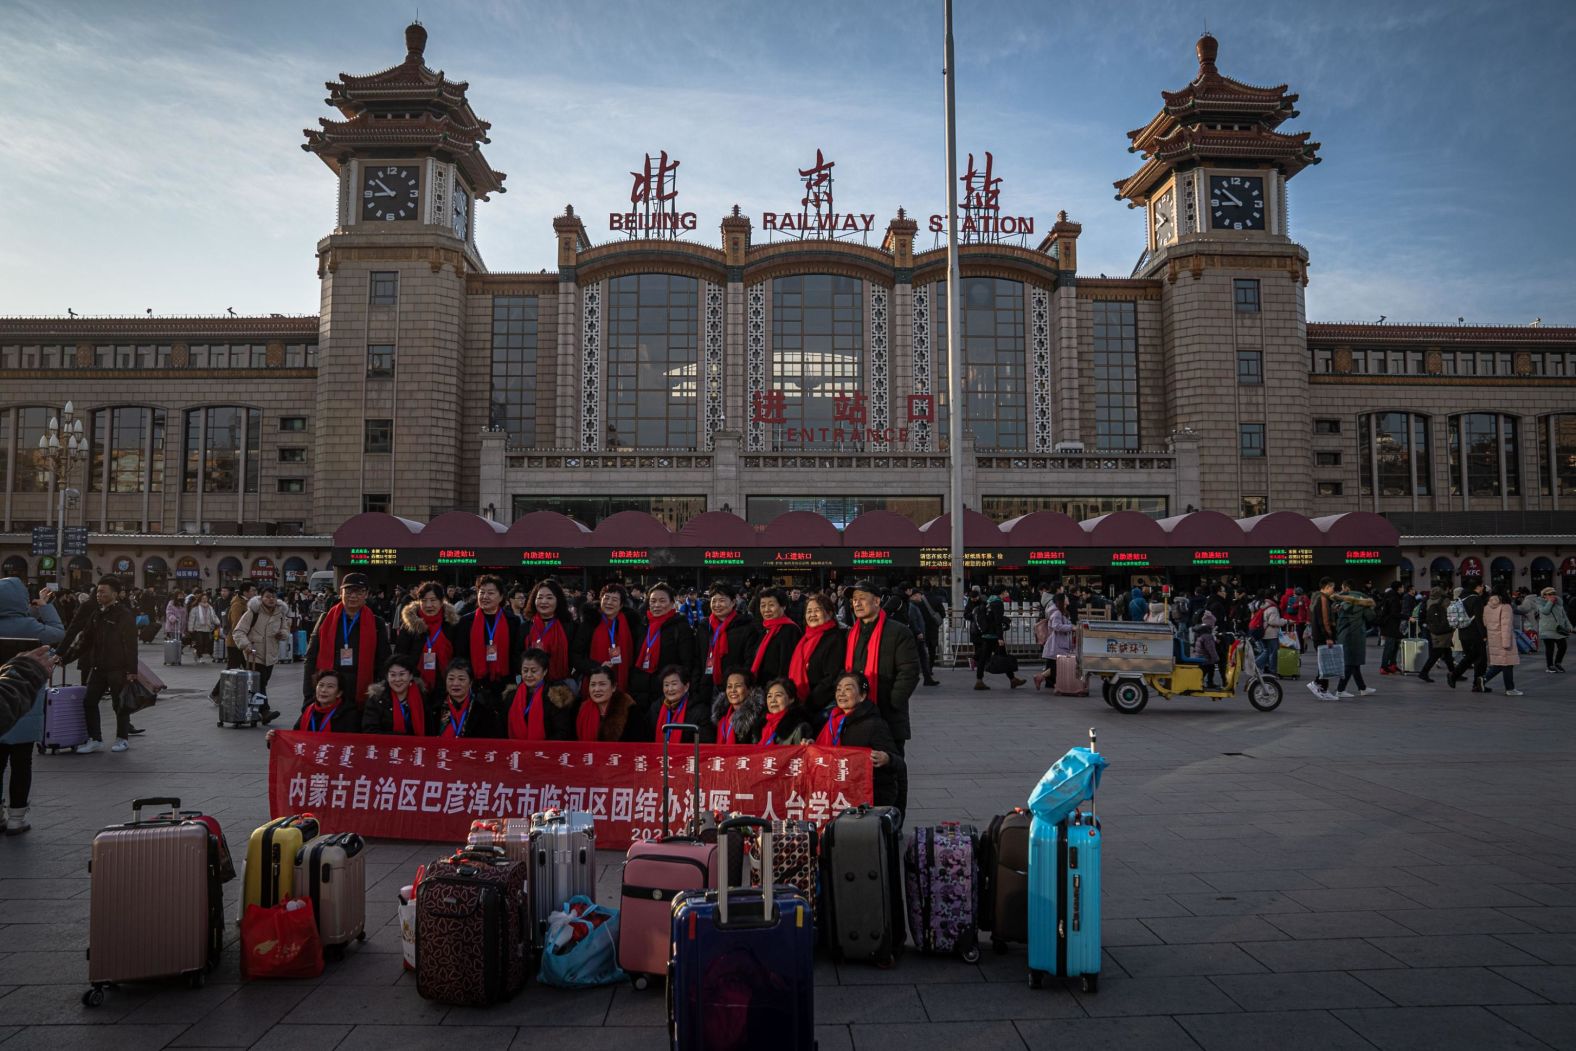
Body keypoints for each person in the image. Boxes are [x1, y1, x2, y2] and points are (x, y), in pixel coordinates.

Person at [844, 580, 918, 814]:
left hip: (887, 717)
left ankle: (893, 822)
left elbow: (909, 672)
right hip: (859, 718)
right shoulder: (852, 634)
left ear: (877, 601)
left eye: (862, 598)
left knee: (891, 774)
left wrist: (891, 704)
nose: (857, 603)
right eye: (854, 599)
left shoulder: (898, 632)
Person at [0, 580, 66, 835]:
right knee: (22, 762)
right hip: (26, 705)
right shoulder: (32, 627)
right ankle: (17, 817)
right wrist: (45, 606)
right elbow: (59, 632)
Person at [57, 576, 140, 754]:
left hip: (118, 668)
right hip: (98, 667)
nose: (98, 594)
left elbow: (131, 645)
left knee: (120, 704)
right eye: (98, 591)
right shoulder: (97, 614)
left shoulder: (124, 615)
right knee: (89, 701)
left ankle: (122, 738)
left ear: (115, 594)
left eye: (103, 591)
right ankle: (95, 739)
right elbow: (84, 641)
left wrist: (132, 670)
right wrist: (65, 658)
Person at [816, 671, 905, 811]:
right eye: (839, 689)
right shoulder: (831, 722)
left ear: (862, 696)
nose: (841, 693)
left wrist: (887, 758)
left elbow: (899, 763)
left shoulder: (874, 724)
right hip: (836, 795)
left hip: (868, 799)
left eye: (848, 689)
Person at [302, 573, 392, 711]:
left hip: (362, 689)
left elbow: (384, 660)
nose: (353, 596)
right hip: (331, 688)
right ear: (340, 593)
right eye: (349, 591)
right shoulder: (326, 619)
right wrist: (309, 694)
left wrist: (380, 691)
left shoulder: (376, 623)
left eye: (359, 592)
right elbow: (311, 657)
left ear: (366, 594)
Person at [456, 575, 524, 711]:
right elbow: (460, 654)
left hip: (504, 683)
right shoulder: (466, 622)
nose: (485, 596)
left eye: (491, 593)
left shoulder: (512, 621)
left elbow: (516, 654)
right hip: (475, 684)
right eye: (482, 592)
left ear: (501, 597)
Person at [627, 582, 694, 714]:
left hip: (667, 693)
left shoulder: (680, 627)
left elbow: (688, 662)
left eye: (662, 601)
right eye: (653, 601)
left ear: (672, 603)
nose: (656, 605)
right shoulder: (642, 626)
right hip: (639, 692)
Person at [573, 583, 643, 699]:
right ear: (600, 600)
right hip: (594, 680)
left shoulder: (631, 624)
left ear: (621, 605)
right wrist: (596, 667)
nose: (609, 603)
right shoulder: (590, 622)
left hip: (624, 681)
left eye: (614, 600)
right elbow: (576, 654)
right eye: (606, 598)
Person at [696, 583, 758, 710]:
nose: (717, 605)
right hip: (707, 686)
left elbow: (749, 660)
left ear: (733, 602)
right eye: (714, 601)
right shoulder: (704, 627)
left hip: (734, 689)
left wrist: (743, 685)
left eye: (722, 601)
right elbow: (696, 658)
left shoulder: (746, 627)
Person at [786, 592, 845, 725]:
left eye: (817, 610)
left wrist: (808, 704)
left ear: (830, 614)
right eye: (809, 611)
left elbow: (832, 677)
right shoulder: (805, 638)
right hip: (802, 704)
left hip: (821, 707)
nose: (812, 615)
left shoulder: (835, 638)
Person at [232, 586, 290, 715]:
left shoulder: (280, 613)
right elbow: (238, 632)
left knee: (262, 682)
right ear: (261, 598)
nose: (271, 599)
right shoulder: (253, 612)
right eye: (267, 596)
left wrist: (283, 634)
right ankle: (265, 711)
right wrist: (246, 645)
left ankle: (255, 709)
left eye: (273, 597)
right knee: (259, 683)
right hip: (254, 654)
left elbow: (285, 629)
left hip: (271, 654)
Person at [393, 581, 459, 695]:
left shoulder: (451, 624)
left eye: (433, 600)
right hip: (415, 685)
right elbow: (400, 657)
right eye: (424, 601)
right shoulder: (410, 625)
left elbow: (459, 656)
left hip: (447, 684)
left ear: (441, 601)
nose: (428, 605)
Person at [499, 648, 577, 741]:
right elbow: (502, 729)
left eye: (533, 671)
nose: (528, 675)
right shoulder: (511, 696)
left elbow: (562, 732)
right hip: (516, 751)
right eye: (525, 670)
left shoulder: (554, 697)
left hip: (546, 752)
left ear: (545, 672)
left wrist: (539, 749)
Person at [361, 655, 438, 736]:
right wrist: (402, 739)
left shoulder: (421, 696)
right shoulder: (377, 698)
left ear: (410, 675)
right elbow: (369, 731)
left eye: (402, 674)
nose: (397, 679)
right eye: (393, 675)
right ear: (387, 677)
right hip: (385, 746)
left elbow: (430, 730)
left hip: (417, 746)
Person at [574, 665, 646, 743]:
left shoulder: (630, 710)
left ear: (614, 687)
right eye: (593, 684)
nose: (597, 689)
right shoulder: (583, 710)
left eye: (602, 684)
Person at [525, 579, 577, 686]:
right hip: (531, 683)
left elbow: (574, 656)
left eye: (549, 598)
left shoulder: (569, 627)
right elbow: (517, 654)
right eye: (540, 598)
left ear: (558, 600)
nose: (544, 602)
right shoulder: (525, 627)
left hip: (560, 687)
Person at [972, 585, 1025, 690]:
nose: (1007, 594)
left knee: (984, 657)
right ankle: (1012, 680)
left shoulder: (988, 601)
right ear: (1002, 592)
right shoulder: (998, 603)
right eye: (1006, 592)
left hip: (986, 633)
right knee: (1002, 657)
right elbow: (997, 621)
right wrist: (1000, 637)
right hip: (994, 636)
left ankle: (980, 680)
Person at [747, 587, 803, 685]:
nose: (766, 610)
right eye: (763, 605)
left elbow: (787, 665)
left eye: (771, 605)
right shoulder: (764, 629)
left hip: (777, 689)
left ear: (783, 606)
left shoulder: (790, 630)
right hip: (761, 686)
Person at [1332, 582, 1377, 698]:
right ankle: (1340, 690)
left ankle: (1362, 688)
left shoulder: (1339, 601)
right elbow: (1370, 617)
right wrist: (1370, 607)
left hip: (1343, 635)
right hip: (1355, 636)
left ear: (1347, 588)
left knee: (1354, 663)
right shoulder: (1362, 601)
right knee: (1350, 664)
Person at [434, 659, 499, 739]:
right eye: (451, 679)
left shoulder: (483, 712)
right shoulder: (434, 710)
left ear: (470, 683)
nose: (455, 683)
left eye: (461, 679)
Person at [287, 669, 363, 734]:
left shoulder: (349, 715)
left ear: (339, 693)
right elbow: (295, 735)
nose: (323, 690)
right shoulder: (308, 710)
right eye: (321, 685)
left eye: (330, 686)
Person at [651, 664, 712, 742]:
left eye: (674, 684)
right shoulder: (656, 708)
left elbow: (706, 743)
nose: (670, 689)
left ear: (686, 686)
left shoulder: (700, 711)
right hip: (660, 753)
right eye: (666, 685)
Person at [1481, 589, 1524, 695]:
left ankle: (1483, 679)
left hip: (1493, 638)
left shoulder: (1487, 607)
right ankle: (1510, 689)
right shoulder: (1506, 607)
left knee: (1501, 664)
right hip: (1504, 639)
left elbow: (1485, 623)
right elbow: (1506, 626)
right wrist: (1506, 643)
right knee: (1508, 664)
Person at [1417, 586, 1462, 686]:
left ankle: (1454, 673)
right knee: (1437, 653)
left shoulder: (1429, 600)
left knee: (1447, 652)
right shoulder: (1445, 600)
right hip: (1444, 629)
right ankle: (1424, 672)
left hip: (1434, 629)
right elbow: (1451, 613)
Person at [1031, 593, 1077, 689]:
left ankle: (1042, 678)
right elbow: (1056, 626)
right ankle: (1041, 677)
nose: (1068, 599)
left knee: (1056, 666)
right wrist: (1071, 627)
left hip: (1059, 643)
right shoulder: (1057, 613)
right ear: (1062, 601)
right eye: (1066, 597)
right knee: (1059, 665)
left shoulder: (1061, 612)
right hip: (1057, 644)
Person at [1305, 578, 1339, 700]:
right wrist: (1328, 637)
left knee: (1325, 663)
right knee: (1325, 664)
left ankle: (1323, 689)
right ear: (1327, 587)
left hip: (1318, 635)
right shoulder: (1323, 599)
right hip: (1322, 637)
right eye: (1332, 587)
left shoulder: (1317, 599)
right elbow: (1323, 620)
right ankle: (1317, 684)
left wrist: (1333, 611)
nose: (1333, 590)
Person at [712, 668, 764, 745]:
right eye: (729, 686)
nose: (733, 690)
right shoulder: (722, 717)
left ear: (749, 689)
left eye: (738, 686)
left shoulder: (757, 717)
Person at [757, 677, 815, 745]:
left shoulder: (800, 727)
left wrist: (808, 746)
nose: (773, 700)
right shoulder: (761, 727)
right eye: (769, 696)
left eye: (778, 695)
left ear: (791, 699)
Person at [1457, 580, 1490, 691]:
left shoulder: (1461, 598)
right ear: (1478, 587)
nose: (1483, 589)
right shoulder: (1476, 599)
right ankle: (1476, 684)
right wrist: (1484, 635)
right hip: (1475, 634)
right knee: (1481, 661)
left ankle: (1477, 685)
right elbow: (1479, 619)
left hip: (1462, 633)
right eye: (1482, 586)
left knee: (1471, 658)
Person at [1532, 586, 1570, 673]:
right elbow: (1545, 611)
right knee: (1550, 648)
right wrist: (1550, 602)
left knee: (1563, 646)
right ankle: (1550, 666)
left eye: (1553, 594)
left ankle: (1558, 663)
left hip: (1558, 629)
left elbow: (1564, 615)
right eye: (1549, 594)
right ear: (1544, 595)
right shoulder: (1540, 602)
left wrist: (1569, 626)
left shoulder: (1558, 603)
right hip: (1547, 629)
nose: (1552, 596)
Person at [225, 583, 257, 670]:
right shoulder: (238, 605)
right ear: (245, 592)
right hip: (236, 642)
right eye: (253, 590)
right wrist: (240, 638)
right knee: (232, 670)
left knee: (247, 668)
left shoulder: (247, 603)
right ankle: (222, 684)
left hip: (244, 642)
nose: (255, 593)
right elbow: (236, 624)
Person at [1376, 580, 1405, 676]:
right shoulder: (1394, 597)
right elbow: (1394, 613)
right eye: (1402, 587)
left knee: (1395, 645)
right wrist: (1407, 617)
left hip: (1391, 625)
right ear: (1399, 588)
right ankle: (1384, 667)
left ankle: (1392, 665)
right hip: (1390, 625)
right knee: (1389, 647)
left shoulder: (1390, 595)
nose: (1403, 589)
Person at [188, 591, 220, 662]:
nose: (205, 600)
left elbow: (213, 616)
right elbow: (192, 618)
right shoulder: (195, 608)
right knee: (200, 642)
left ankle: (196, 652)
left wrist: (218, 622)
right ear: (200, 599)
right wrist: (190, 628)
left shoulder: (210, 608)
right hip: (198, 628)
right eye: (203, 598)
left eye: (206, 598)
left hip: (207, 628)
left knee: (206, 643)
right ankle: (200, 657)